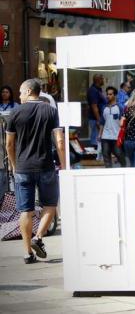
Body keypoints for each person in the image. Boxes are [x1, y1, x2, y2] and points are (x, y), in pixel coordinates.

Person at [5, 78, 66, 263]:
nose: (20, 95)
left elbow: (9, 145)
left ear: (30, 91)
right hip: (46, 165)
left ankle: (27, 253)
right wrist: (63, 165)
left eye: (22, 92)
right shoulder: (51, 111)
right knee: (50, 205)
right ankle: (38, 237)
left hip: (23, 167)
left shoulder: (15, 112)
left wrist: (15, 166)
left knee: (26, 211)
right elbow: (60, 141)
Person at [99, 86, 125, 168]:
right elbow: (102, 122)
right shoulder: (104, 108)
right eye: (107, 94)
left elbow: (123, 122)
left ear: (115, 95)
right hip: (105, 136)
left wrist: (123, 135)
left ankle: (125, 167)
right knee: (105, 154)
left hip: (116, 135)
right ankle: (108, 171)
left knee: (118, 153)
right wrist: (100, 134)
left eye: (110, 94)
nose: (108, 96)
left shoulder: (120, 107)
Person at [87, 74, 106, 147]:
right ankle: (94, 156)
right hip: (95, 118)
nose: (103, 80)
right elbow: (94, 106)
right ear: (98, 80)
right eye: (102, 79)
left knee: (99, 138)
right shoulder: (93, 90)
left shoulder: (98, 89)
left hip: (99, 117)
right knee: (96, 138)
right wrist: (98, 120)